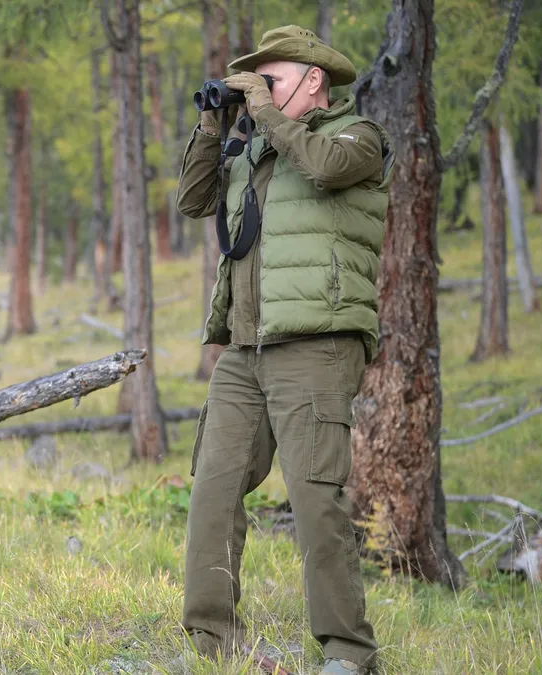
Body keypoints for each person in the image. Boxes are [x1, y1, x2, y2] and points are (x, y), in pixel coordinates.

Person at [176, 25, 395, 675]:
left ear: (313, 80)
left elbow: (323, 169)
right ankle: (216, 642)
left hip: (319, 345)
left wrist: (266, 116)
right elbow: (193, 202)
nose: (257, 92)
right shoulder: (256, 151)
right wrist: (216, 126)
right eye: (253, 83)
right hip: (245, 348)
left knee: (314, 498)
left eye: (268, 80)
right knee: (213, 489)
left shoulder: (358, 139)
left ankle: (349, 651)